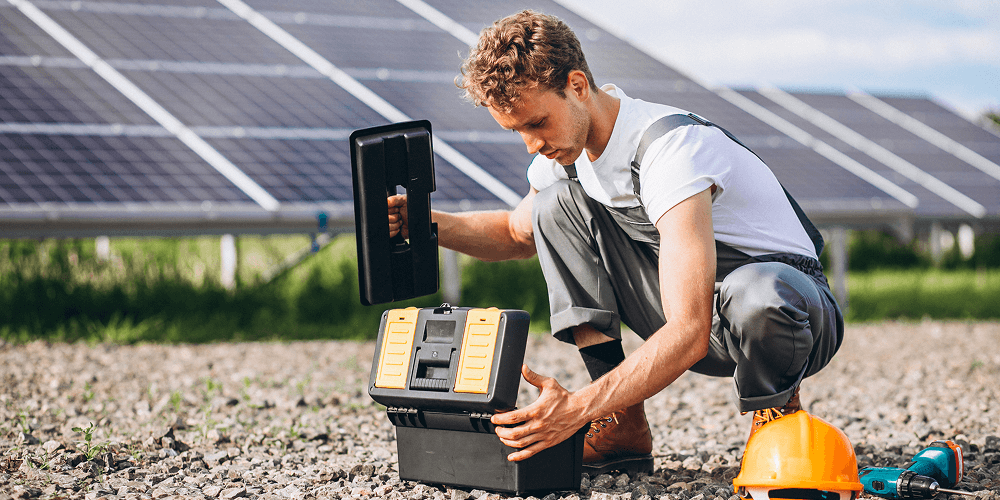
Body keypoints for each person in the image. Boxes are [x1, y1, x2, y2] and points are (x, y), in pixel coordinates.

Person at [387, 10, 844, 475]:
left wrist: (575, 409)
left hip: (792, 313)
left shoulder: (671, 149)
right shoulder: (566, 156)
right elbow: (514, 233)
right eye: (517, 131)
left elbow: (687, 332)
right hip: (700, 314)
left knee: (756, 292)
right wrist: (423, 223)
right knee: (553, 206)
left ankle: (777, 423)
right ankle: (623, 425)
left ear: (578, 85)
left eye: (538, 123)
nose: (531, 145)